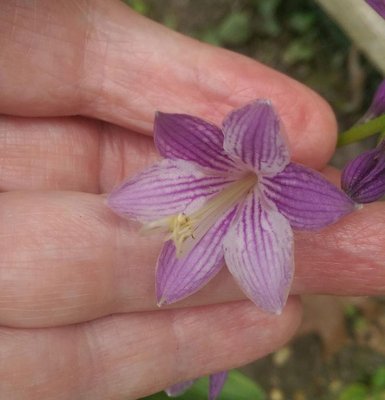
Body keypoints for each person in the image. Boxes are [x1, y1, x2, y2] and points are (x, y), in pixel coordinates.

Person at [0, 1, 384, 398]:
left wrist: (339, 202)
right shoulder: (239, 148)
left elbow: (317, 198)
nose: (184, 226)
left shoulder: (264, 159)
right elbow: (176, 130)